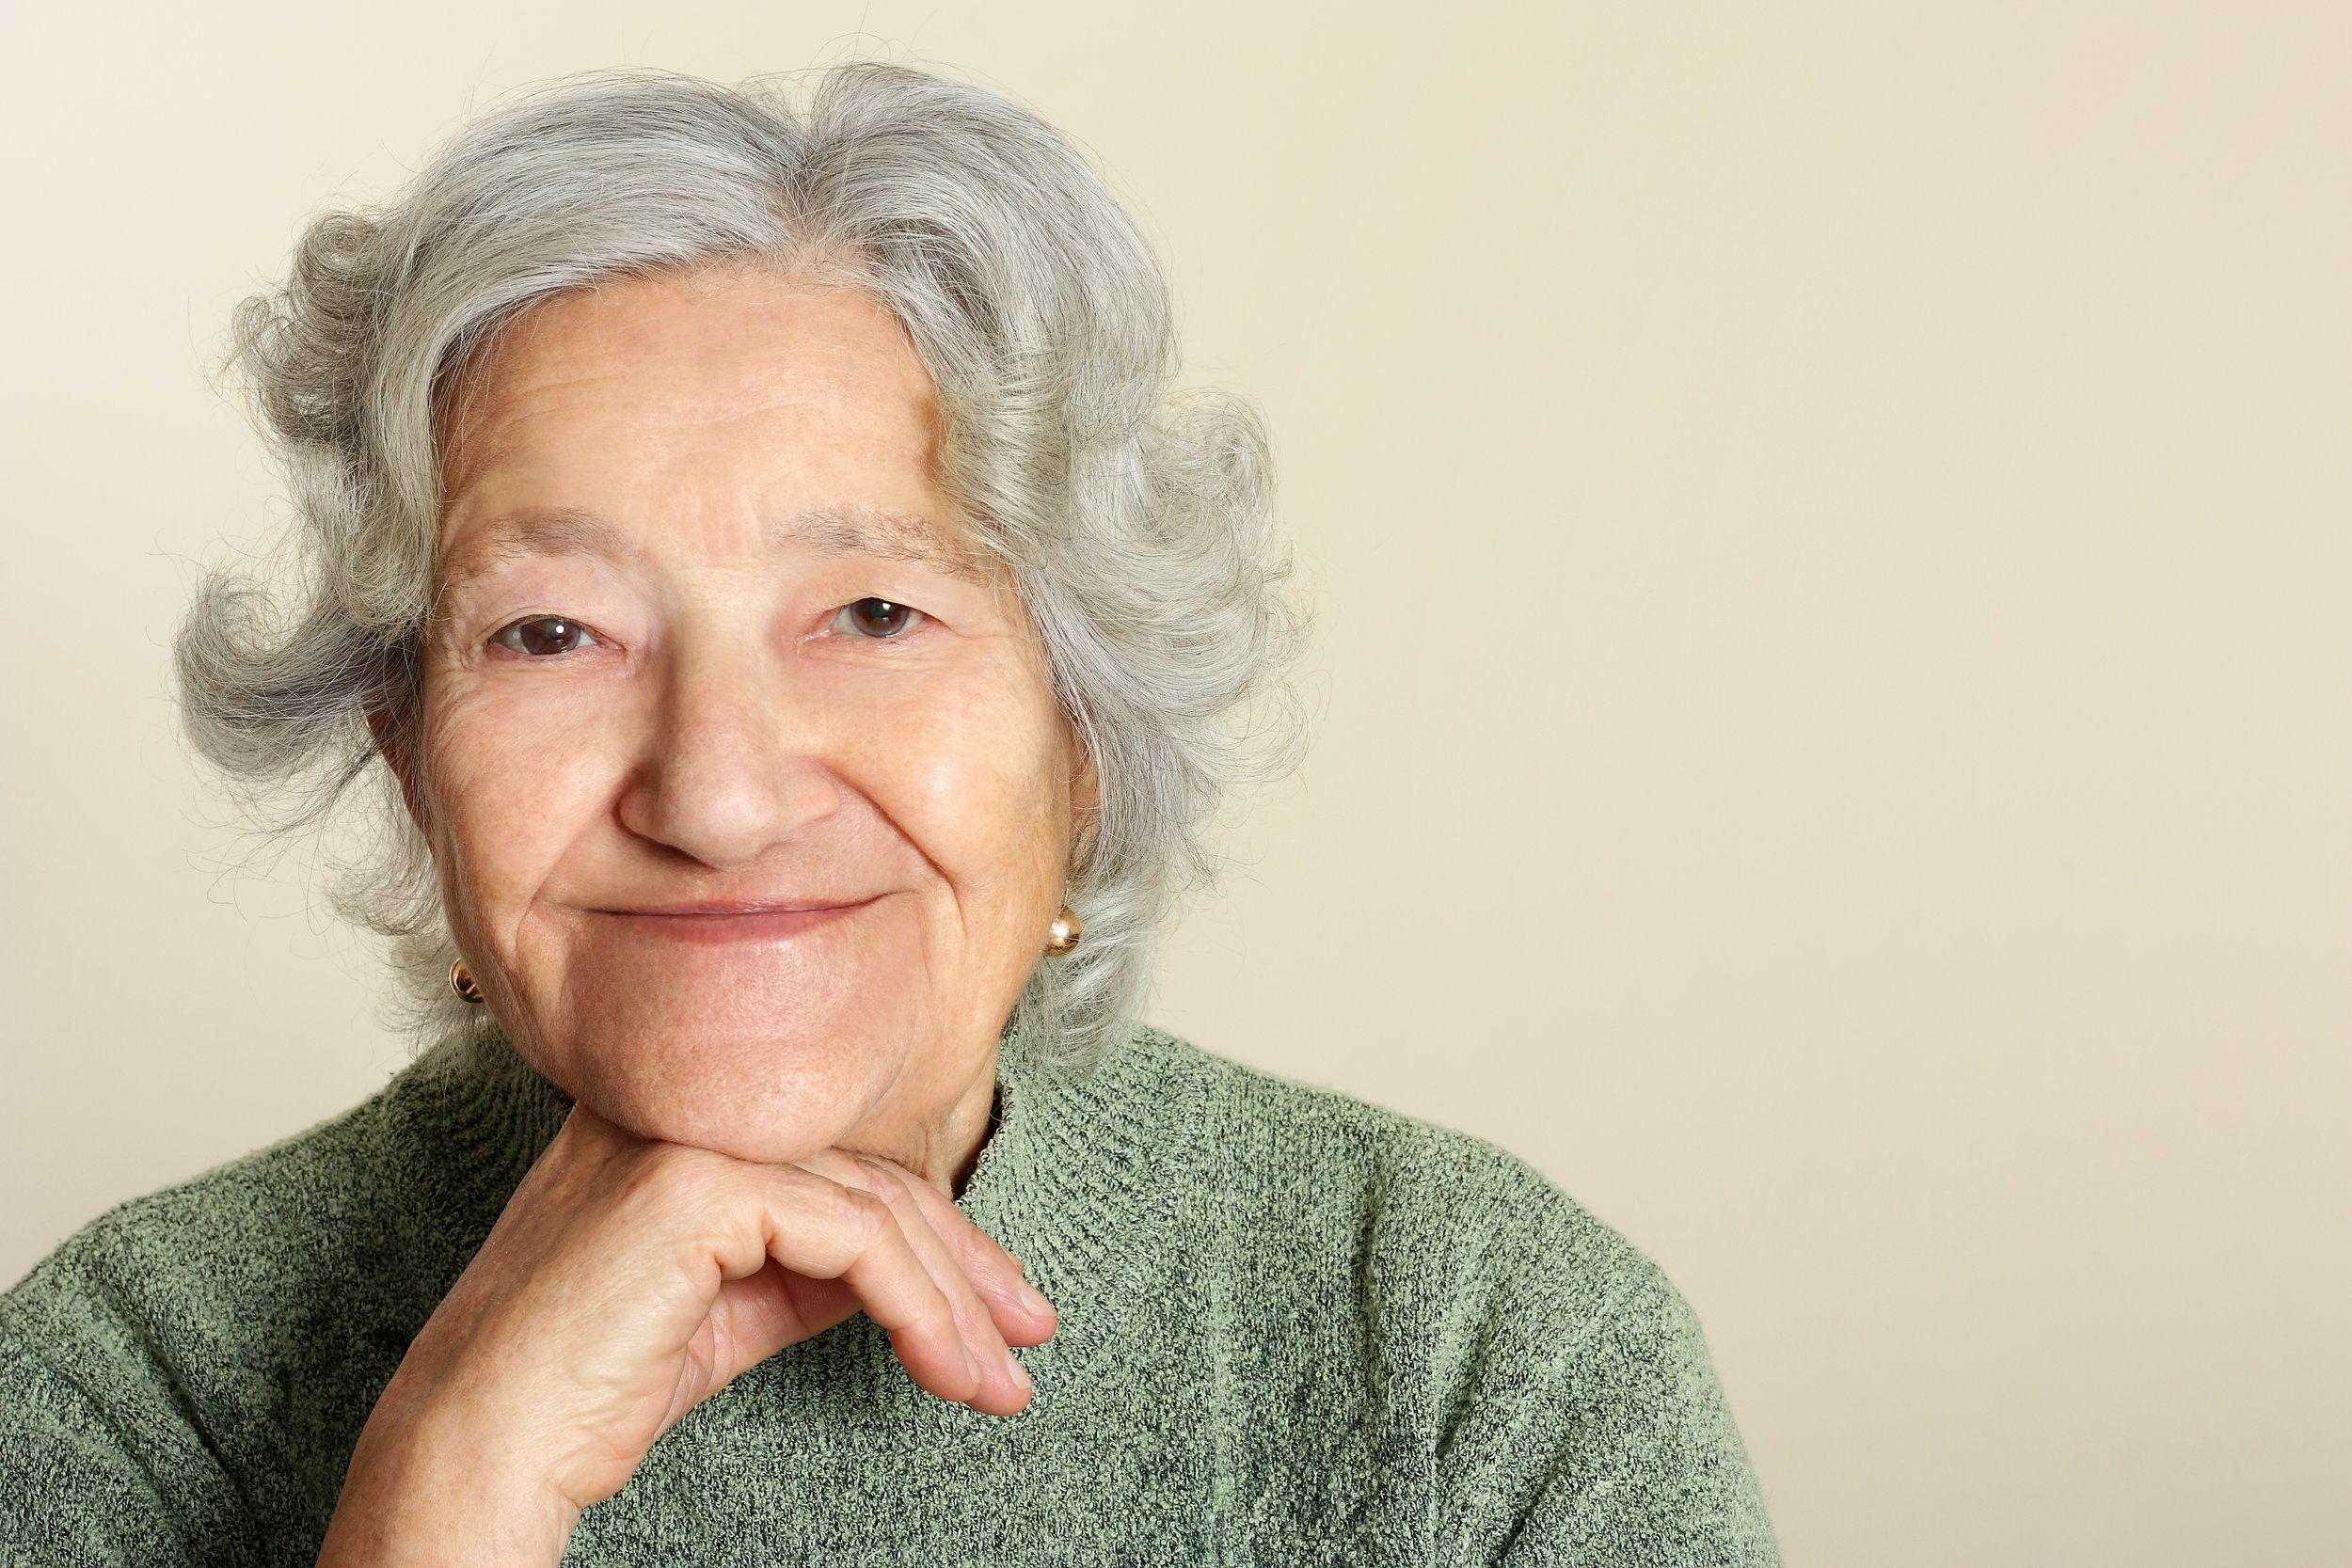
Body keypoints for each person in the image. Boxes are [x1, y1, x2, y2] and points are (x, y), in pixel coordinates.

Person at [0, 61, 1781, 1565]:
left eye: (871, 614)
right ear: (408, 749)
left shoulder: (1489, 1360)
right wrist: (443, 1499)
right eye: (551, 632)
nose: (715, 792)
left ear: (1085, 730)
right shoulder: (121, 1393)